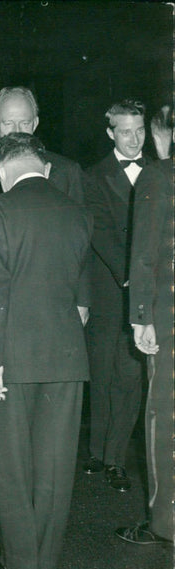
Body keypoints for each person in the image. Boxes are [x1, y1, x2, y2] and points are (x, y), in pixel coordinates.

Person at [0, 86, 86, 522]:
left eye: (25, 122)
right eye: (9, 123)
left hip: (58, 311)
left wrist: (82, 300)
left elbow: (82, 242)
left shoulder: (66, 171)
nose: (18, 129)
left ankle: (34, 508)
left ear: (37, 125)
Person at [0, 132, 91, 569]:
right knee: (56, 464)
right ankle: (47, 560)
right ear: (44, 168)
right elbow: (82, 296)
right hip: (66, 356)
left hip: (12, 358)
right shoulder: (78, 213)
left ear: (2, 171)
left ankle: (22, 561)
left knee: (8, 462)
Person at [115, 105, 174, 546]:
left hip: (169, 315)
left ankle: (164, 523)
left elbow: (145, 253)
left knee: (163, 418)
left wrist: (140, 318)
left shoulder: (159, 176)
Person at [83, 99, 147, 491]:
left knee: (131, 375)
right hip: (110, 289)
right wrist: (132, 277)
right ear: (110, 133)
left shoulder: (160, 171)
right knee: (102, 374)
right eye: (126, 131)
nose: (134, 138)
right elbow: (101, 233)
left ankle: (115, 459)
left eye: (139, 129)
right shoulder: (94, 176)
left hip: (144, 291)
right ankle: (97, 449)